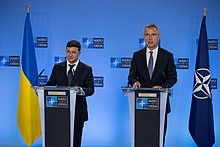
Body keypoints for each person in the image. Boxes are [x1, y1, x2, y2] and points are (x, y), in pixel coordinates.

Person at [128, 24, 177, 144]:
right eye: (147, 35)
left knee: (158, 138)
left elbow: (173, 77)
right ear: (144, 38)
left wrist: (162, 87)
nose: (150, 38)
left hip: (160, 103)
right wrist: (134, 81)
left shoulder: (167, 56)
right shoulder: (137, 55)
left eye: (153, 34)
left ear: (159, 37)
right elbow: (131, 76)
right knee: (141, 137)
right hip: (141, 104)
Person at [45, 40, 94, 147]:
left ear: (79, 53)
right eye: (68, 52)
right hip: (58, 112)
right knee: (59, 141)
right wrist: (41, 89)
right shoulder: (57, 68)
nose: (70, 55)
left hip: (78, 112)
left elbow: (91, 90)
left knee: (76, 142)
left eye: (73, 52)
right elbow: (50, 85)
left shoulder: (86, 69)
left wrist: (79, 90)